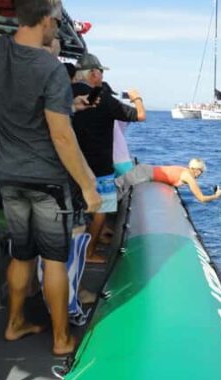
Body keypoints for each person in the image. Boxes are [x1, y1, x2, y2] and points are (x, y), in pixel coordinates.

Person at [0, 0, 101, 356]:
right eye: (57, 21)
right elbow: (61, 136)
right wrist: (89, 186)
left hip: (10, 176)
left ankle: (15, 323)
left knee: (22, 254)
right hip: (47, 181)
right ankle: (61, 339)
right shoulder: (50, 68)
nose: (57, 27)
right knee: (55, 260)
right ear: (45, 20)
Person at [72, 52, 146, 263]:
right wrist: (137, 98)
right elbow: (139, 115)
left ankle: (75, 251)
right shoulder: (101, 98)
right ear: (93, 73)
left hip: (70, 165)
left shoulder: (64, 93)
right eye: (101, 72)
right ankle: (89, 253)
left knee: (74, 209)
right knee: (101, 209)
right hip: (98, 167)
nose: (102, 76)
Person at [115, 158, 221, 203]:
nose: (201, 174)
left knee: (116, 190)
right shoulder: (188, 176)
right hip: (143, 173)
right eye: (202, 171)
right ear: (197, 170)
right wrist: (216, 196)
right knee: (115, 189)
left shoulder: (184, 170)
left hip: (144, 170)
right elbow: (201, 198)